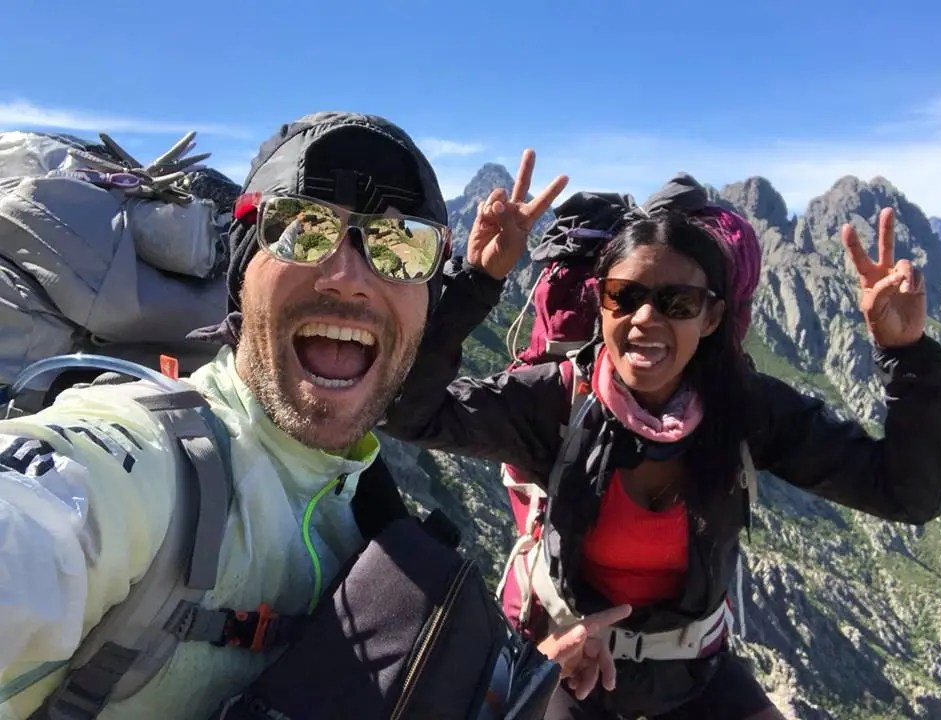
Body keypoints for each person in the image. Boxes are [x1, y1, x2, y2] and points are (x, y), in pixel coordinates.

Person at [0, 111, 588, 719]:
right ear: (242, 274)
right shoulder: (140, 459)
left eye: (400, 246)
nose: (347, 278)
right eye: (301, 228)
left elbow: (412, 393)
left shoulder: (360, 492)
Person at [382, 170, 941, 718]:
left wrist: (906, 356)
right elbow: (409, 414)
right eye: (623, 296)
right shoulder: (556, 400)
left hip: (691, 669)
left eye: (677, 303)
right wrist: (476, 281)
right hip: (568, 655)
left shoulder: (744, 409)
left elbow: (908, 494)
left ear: (711, 318)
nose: (645, 319)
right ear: (600, 301)